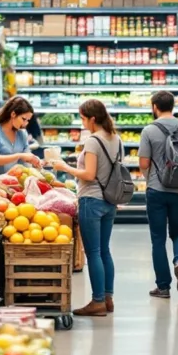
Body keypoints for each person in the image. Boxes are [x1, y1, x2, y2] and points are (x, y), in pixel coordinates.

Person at [52, 99, 121, 317]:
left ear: (92, 119)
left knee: (93, 253)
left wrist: (65, 167)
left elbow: (89, 175)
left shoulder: (93, 141)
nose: (82, 122)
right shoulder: (115, 138)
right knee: (104, 250)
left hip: (91, 200)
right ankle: (108, 298)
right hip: (110, 200)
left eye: (82, 118)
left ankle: (97, 301)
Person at [138, 91, 178, 299]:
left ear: (155, 107)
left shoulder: (149, 130)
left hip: (156, 190)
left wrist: (153, 179)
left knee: (158, 239)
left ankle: (163, 287)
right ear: (173, 106)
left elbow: (144, 164)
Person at [0, 96, 41, 182]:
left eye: (28, 120)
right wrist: (19, 155)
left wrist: (35, 160)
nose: (25, 124)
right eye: (23, 119)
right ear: (13, 114)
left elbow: (27, 160)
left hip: (15, 186)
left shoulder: (22, 134)